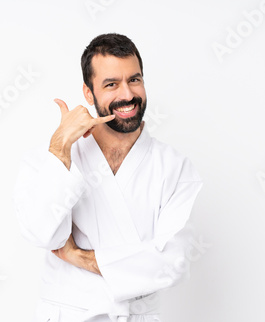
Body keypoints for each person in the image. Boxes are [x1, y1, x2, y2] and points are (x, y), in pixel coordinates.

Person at [14, 33, 203, 322]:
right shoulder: (51, 157)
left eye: (134, 80)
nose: (127, 95)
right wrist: (61, 147)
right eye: (111, 84)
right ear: (89, 93)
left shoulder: (174, 167)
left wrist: (81, 258)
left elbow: (173, 263)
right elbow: (42, 233)